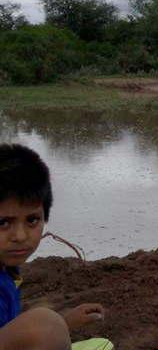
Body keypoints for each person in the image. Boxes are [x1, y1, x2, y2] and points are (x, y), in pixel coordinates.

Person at [0, 143, 113, 350]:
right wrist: (51, 328)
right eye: (3, 223)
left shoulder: (7, 272)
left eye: (32, 220)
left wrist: (65, 323)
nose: (20, 236)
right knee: (46, 326)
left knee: (101, 345)